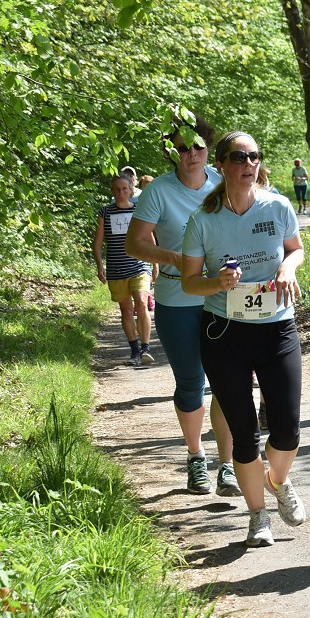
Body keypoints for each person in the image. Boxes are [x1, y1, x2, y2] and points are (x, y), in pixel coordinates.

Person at [180, 131, 307, 548]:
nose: (249, 164)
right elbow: (189, 283)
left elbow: (296, 249)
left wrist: (288, 268)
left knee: (287, 428)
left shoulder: (278, 205)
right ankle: (257, 517)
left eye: (255, 156)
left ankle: (278, 481)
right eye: (239, 157)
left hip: (276, 326)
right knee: (244, 432)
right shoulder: (204, 218)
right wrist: (216, 280)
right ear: (222, 164)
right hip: (224, 332)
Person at [125, 119, 239, 498]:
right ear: (171, 151)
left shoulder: (222, 184)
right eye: (182, 148)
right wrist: (175, 256)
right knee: (191, 384)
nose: (191, 154)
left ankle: (227, 465)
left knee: (226, 382)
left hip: (222, 298)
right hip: (177, 298)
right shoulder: (158, 191)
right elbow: (135, 244)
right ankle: (195, 457)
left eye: (198, 147)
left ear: (209, 149)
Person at [94, 176, 154, 366]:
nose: (121, 193)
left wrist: (156, 264)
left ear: (131, 190)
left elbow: (149, 239)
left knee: (142, 304)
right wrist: (99, 265)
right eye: (117, 189)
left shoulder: (138, 211)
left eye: (124, 189)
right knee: (126, 311)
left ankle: (146, 348)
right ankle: (134, 351)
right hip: (116, 269)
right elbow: (97, 243)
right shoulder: (105, 212)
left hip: (139, 266)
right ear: (112, 190)